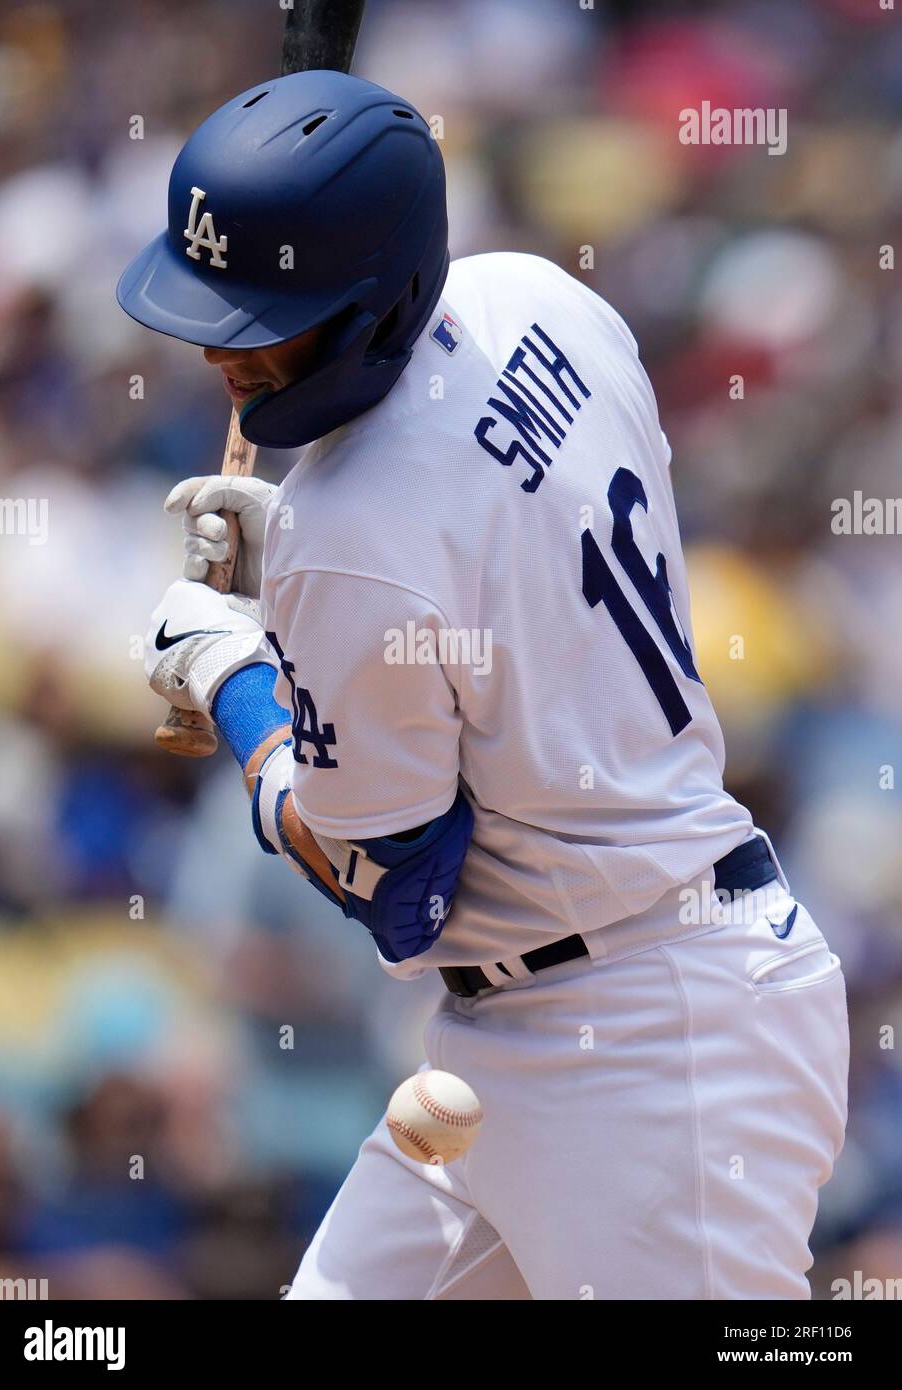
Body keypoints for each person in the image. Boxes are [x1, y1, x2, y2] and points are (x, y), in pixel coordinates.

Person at [118, 70, 849, 1300]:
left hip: (651, 1044)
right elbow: (484, 542)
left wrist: (240, 674)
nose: (221, 349)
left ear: (377, 290)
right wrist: (303, 604)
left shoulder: (348, 535)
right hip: (549, 1016)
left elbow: (397, 888)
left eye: (266, 316)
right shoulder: (537, 295)